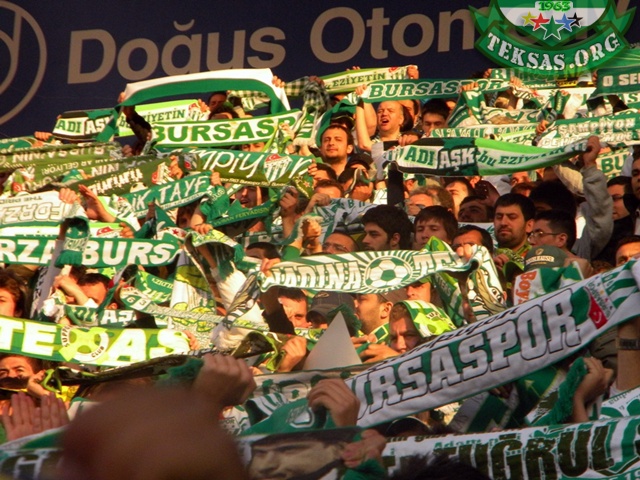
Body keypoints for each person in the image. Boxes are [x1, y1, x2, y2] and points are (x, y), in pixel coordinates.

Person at [493, 193, 535, 268]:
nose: (503, 223)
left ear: (529, 225)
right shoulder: (483, 258)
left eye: (512, 217)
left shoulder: (537, 259)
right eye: (499, 217)